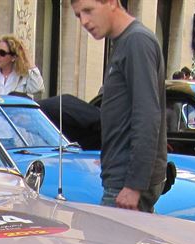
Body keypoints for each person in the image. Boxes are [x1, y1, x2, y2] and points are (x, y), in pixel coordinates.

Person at [70, 0, 166, 212]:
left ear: (112, 2)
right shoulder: (125, 42)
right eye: (78, 16)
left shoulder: (137, 41)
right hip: (120, 176)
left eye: (88, 11)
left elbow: (147, 115)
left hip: (126, 183)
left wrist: (134, 184)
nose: (84, 21)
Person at [0, 34, 44, 98]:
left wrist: (27, 57)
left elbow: (37, 88)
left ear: (13, 57)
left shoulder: (23, 77)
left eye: (2, 53)